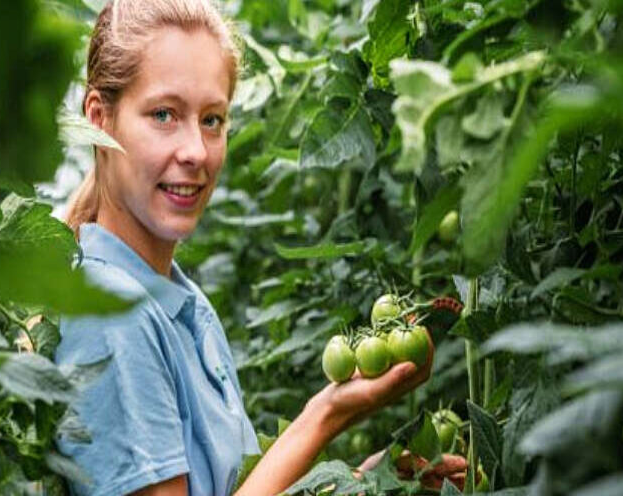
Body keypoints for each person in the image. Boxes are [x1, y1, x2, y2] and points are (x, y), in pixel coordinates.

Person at [56, 1, 435, 495]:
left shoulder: (175, 300)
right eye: (164, 114)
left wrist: (356, 483)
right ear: (99, 120)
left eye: (212, 120)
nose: (195, 151)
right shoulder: (111, 312)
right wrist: (325, 415)